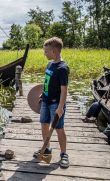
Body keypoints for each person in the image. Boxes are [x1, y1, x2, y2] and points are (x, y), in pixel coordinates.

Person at [33, 37, 70, 168]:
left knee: (59, 129)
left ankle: (64, 154)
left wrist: (60, 107)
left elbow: (64, 90)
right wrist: (43, 93)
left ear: (54, 51)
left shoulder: (62, 68)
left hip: (56, 104)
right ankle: (47, 150)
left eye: (46, 51)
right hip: (46, 102)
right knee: (44, 124)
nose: (45, 53)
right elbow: (47, 82)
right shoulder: (50, 64)